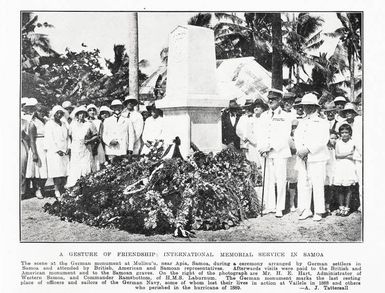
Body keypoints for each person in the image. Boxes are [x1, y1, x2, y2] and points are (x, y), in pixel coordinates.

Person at [294, 93, 330, 221]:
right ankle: (306, 209)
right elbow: (297, 137)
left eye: (309, 106)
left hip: (317, 157)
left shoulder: (322, 122)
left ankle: (319, 211)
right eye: (305, 106)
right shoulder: (302, 122)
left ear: (315, 107)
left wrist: (308, 150)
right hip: (302, 157)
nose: (307, 109)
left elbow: (323, 140)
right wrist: (300, 150)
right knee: (304, 184)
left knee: (317, 183)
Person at [258, 89, 292, 218]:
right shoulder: (264, 115)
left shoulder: (285, 116)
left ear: (279, 100)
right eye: (269, 98)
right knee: (268, 179)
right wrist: (262, 148)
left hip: (279, 152)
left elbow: (285, 136)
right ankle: (269, 205)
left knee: (281, 179)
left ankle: (279, 207)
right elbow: (260, 133)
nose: (270, 101)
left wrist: (271, 147)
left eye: (273, 99)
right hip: (265, 152)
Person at [66, 106, 98, 188]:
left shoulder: (89, 124)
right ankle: (74, 186)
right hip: (75, 148)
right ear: (77, 115)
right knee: (75, 166)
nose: (82, 115)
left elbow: (96, 136)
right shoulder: (72, 125)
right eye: (80, 114)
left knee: (86, 166)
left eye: (84, 114)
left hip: (86, 148)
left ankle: (85, 185)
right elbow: (69, 136)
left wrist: (89, 140)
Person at [339, 102, 362, 212]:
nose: (349, 114)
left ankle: (359, 203)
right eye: (347, 112)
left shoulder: (359, 123)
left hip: (358, 154)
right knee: (347, 181)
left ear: (354, 113)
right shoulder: (342, 124)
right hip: (346, 156)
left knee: (359, 181)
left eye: (351, 112)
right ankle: (348, 204)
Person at [44, 105, 70, 198]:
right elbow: (49, 139)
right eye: (57, 113)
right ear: (54, 114)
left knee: (64, 171)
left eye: (61, 113)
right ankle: (56, 190)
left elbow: (67, 137)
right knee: (56, 171)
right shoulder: (49, 124)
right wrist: (57, 150)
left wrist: (68, 148)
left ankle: (63, 188)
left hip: (64, 150)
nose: (59, 115)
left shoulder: (63, 124)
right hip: (54, 151)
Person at [25, 98, 48, 199]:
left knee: (46, 169)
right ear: (36, 112)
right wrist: (34, 153)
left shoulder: (47, 121)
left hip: (46, 146)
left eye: (43, 111)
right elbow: (32, 140)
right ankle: (37, 189)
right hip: (37, 145)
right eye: (40, 111)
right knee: (37, 169)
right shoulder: (32, 123)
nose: (42, 113)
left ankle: (42, 188)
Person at [333, 124, 357, 216]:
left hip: (349, 166)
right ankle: (341, 206)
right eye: (342, 133)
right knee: (340, 187)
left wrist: (345, 155)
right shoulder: (338, 142)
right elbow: (337, 155)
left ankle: (347, 207)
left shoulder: (353, 142)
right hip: (340, 166)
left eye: (346, 132)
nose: (344, 134)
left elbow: (353, 156)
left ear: (350, 133)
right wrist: (348, 153)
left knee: (348, 188)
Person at [282, 92, 300, 212]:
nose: (288, 103)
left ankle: (292, 203)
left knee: (294, 178)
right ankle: (283, 204)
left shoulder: (296, 114)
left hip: (295, 148)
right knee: (283, 178)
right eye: (286, 101)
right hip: (283, 149)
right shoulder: (280, 114)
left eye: (290, 101)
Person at [103, 99, 135, 164]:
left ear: (122, 108)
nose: (117, 108)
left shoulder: (127, 120)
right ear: (112, 108)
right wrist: (110, 141)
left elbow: (131, 136)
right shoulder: (107, 120)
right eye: (115, 107)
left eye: (119, 107)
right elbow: (104, 135)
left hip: (122, 149)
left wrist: (130, 150)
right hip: (111, 149)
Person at [247, 99, 269, 168]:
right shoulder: (249, 119)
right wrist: (254, 142)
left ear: (263, 109)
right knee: (254, 165)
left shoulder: (266, 119)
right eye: (255, 107)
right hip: (253, 145)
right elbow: (247, 133)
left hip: (263, 146)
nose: (256, 108)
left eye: (258, 107)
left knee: (264, 166)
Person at [87, 104, 106, 172]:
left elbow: (100, 134)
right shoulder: (85, 121)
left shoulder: (99, 121)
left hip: (97, 143)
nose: (92, 112)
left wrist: (96, 143)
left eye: (93, 110)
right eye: (90, 110)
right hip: (88, 144)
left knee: (98, 161)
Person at [325, 129, 338, 214]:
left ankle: (328, 206)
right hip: (326, 169)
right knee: (325, 187)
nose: (333, 140)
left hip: (333, 169)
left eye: (335, 138)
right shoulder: (325, 148)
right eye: (331, 138)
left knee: (331, 188)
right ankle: (323, 206)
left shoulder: (335, 148)